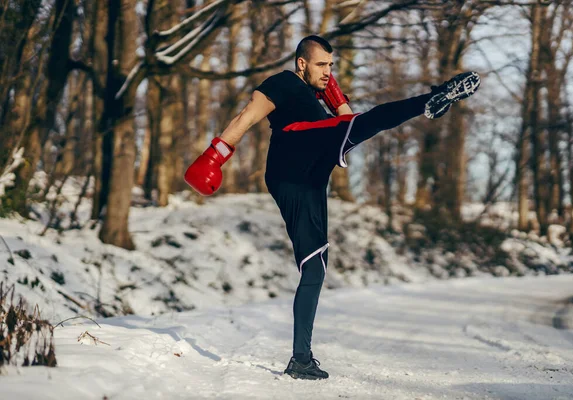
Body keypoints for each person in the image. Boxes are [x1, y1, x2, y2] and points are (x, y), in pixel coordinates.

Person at [184, 35, 480, 380]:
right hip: (295, 151)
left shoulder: (316, 96)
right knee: (369, 120)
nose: (328, 72)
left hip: (310, 176)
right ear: (301, 63)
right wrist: (216, 155)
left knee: (315, 268)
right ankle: (432, 98)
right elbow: (247, 117)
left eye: (331, 66)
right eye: (322, 65)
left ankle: (301, 359)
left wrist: (332, 94)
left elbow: (349, 121)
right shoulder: (281, 83)